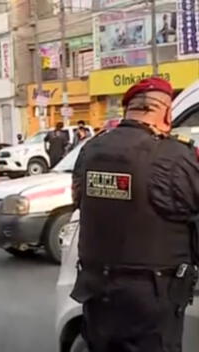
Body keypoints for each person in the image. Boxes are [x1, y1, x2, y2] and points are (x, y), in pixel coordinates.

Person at [71, 77, 199, 352]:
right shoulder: (175, 156)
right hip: (152, 297)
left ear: (128, 109)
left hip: (97, 291)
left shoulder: (90, 151)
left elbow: (80, 202)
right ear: (165, 112)